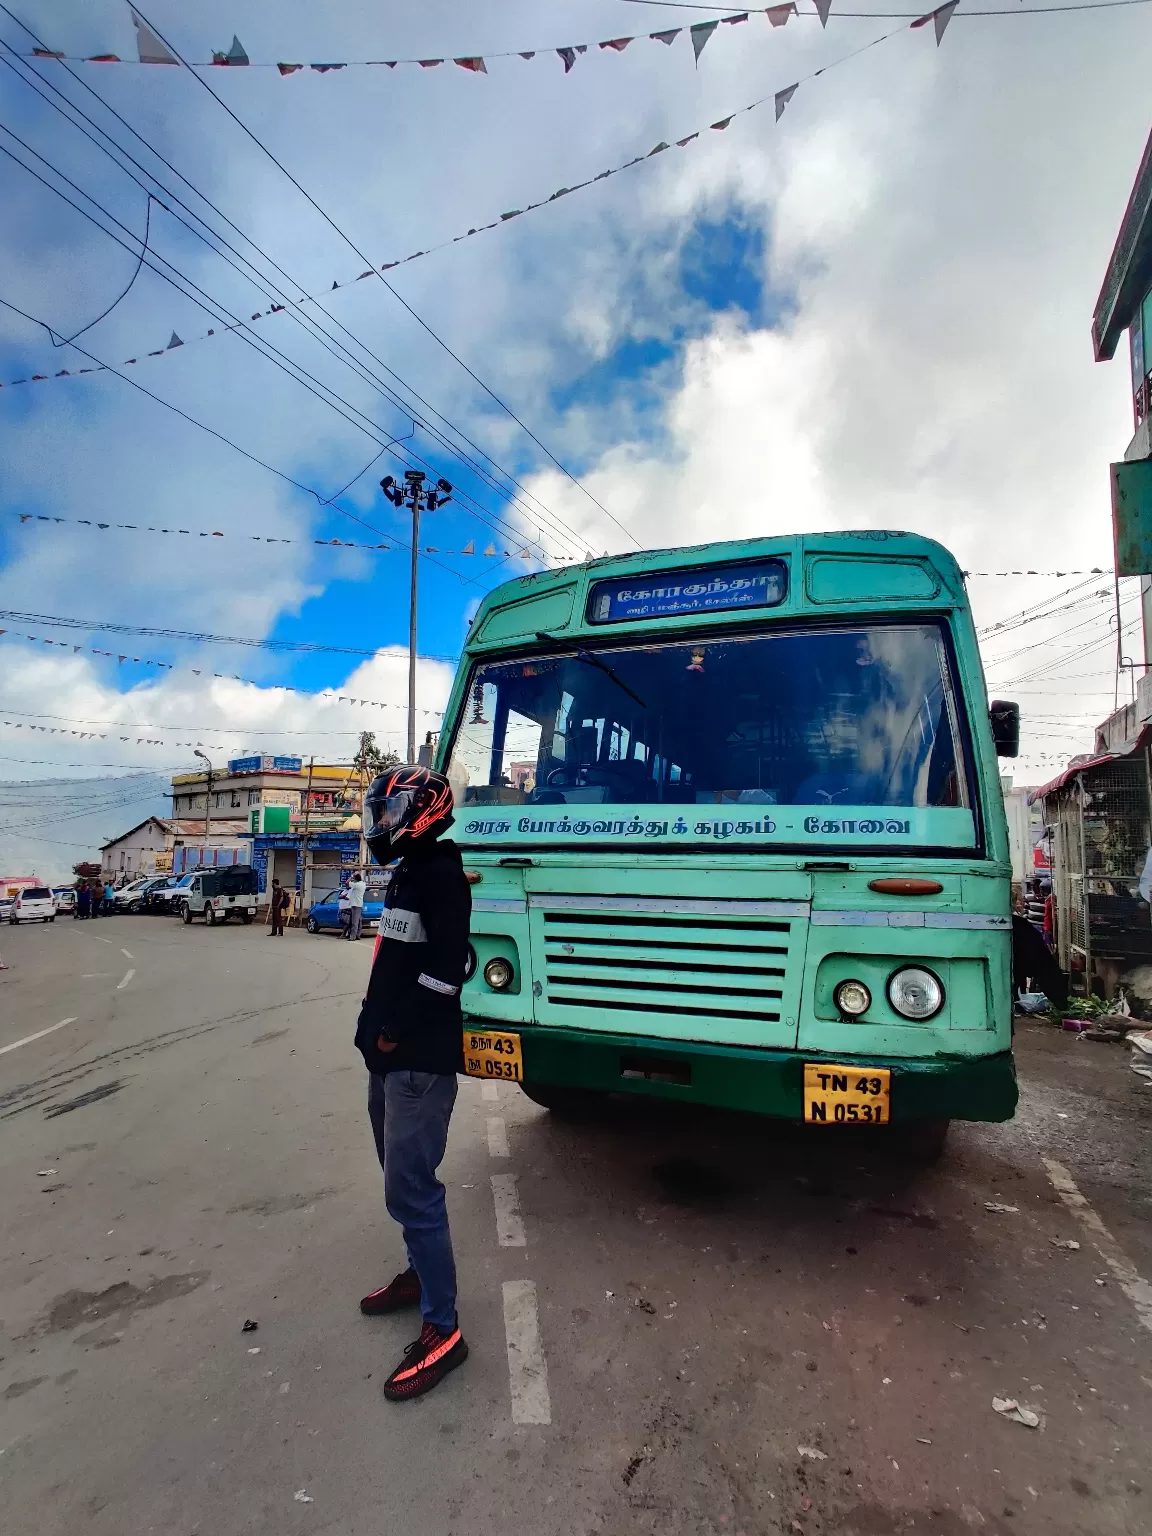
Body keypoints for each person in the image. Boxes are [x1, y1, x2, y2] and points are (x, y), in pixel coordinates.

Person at [354, 764, 471, 1402]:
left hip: (418, 1064)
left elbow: (445, 976)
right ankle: (419, 1276)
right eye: (380, 813)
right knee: (398, 1182)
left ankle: (443, 1327)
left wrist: (394, 1032)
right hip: (388, 1060)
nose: (382, 824)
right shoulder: (409, 870)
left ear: (422, 812)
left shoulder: (441, 875)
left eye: (390, 813)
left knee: (414, 1187)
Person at [345, 870, 366, 941]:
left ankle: (353, 937)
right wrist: (357, 874)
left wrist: (351, 876)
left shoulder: (357, 885)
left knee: (354, 922)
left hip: (355, 905)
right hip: (359, 904)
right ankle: (357, 935)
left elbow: (347, 883)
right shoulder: (362, 884)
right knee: (358, 921)